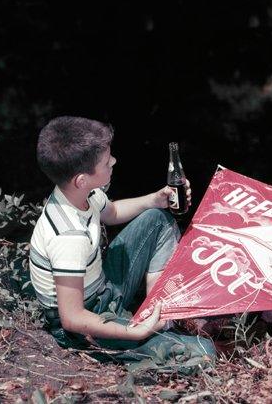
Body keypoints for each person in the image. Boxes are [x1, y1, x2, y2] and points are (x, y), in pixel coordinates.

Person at [29, 116, 215, 365]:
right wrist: (134, 332)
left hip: (103, 287)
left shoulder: (82, 193)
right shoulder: (69, 237)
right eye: (107, 162)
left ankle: (160, 309)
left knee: (158, 219)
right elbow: (72, 317)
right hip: (86, 323)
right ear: (81, 179)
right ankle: (149, 332)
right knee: (204, 352)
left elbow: (112, 212)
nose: (114, 161)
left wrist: (155, 199)